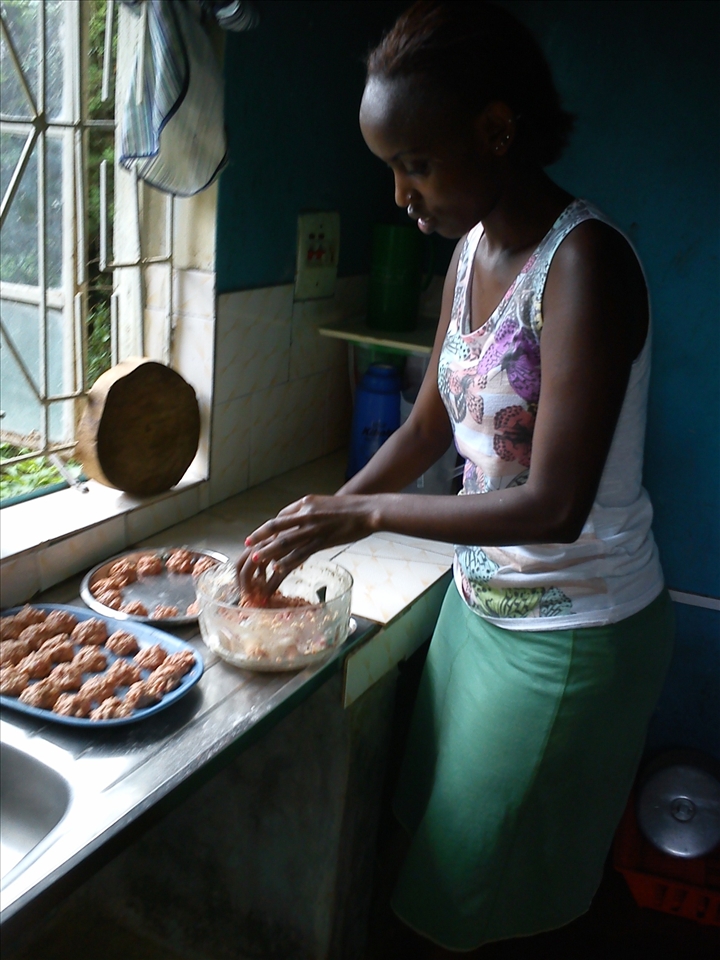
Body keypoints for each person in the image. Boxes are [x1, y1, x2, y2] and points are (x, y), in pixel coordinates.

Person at [239, 1, 674, 954]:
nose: (402, 197)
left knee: (468, 903)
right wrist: (333, 509)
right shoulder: (473, 251)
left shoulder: (584, 266)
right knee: (452, 859)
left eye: (416, 164)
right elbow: (433, 418)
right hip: (481, 612)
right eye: (392, 168)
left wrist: (368, 518)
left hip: (573, 630)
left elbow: (557, 507)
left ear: (497, 130)